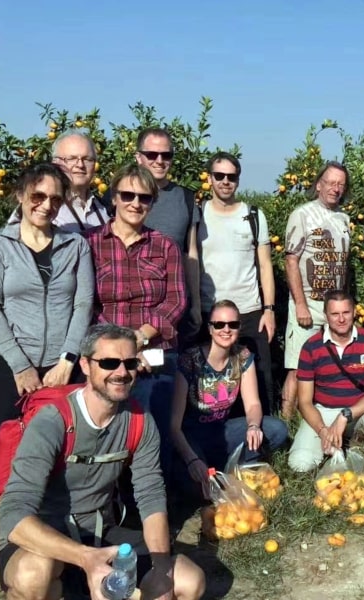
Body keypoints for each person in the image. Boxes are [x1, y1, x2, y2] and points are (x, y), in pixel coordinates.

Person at [0, 324, 205, 599]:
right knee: (33, 575)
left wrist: (161, 566)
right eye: (108, 363)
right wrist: (86, 558)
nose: (121, 373)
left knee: (189, 581)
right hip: (45, 541)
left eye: (129, 363)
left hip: (99, 532)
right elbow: (13, 516)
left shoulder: (140, 422)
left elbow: (151, 495)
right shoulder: (53, 421)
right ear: (85, 365)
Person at [0, 163, 94, 467]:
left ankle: (53, 515)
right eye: (38, 196)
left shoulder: (75, 245)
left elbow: (83, 305)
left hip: (60, 368)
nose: (46, 205)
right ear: (20, 195)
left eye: (55, 199)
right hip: (5, 365)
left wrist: (67, 360)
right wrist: (20, 366)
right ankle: (8, 516)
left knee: (61, 454)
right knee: (5, 458)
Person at [86, 164, 186, 474]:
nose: (135, 203)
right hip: (107, 354)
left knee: (154, 433)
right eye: (127, 195)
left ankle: (156, 503)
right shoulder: (90, 245)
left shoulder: (165, 246)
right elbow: (84, 304)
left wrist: (140, 338)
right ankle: (109, 504)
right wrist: (120, 350)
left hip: (155, 351)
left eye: (144, 197)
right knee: (109, 433)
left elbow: (176, 300)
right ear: (113, 198)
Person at [171, 300, 288, 499]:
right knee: (198, 489)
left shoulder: (242, 356)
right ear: (210, 328)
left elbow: (253, 404)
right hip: (193, 436)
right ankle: (219, 472)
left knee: (276, 429)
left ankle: (238, 469)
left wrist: (253, 426)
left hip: (223, 430)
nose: (226, 330)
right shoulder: (190, 360)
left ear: (239, 328)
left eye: (232, 325)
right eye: (219, 325)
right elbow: (174, 426)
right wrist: (191, 460)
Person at [197, 152, 276, 415]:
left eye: (231, 177)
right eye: (219, 176)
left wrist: (269, 309)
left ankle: (263, 437)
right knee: (212, 378)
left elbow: (265, 265)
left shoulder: (253, 215)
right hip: (211, 310)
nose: (225, 182)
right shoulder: (197, 215)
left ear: (238, 180)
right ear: (210, 179)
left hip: (250, 309)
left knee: (261, 377)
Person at [288, 290, 364, 472]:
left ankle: (355, 444)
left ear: (354, 312)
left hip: (359, 410)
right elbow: (305, 402)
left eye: (346, 312)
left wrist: (345, 415)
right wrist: (322, 431)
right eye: (335, 314)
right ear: (325, 316)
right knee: (300, 464)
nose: (341, 319)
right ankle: (331, 443)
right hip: (323, 411)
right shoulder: (311, 347)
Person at [280, 161, 351, 417]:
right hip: (308, 303)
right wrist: (299, 304)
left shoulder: (343, 218)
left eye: (340, 184)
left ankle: (316, 421)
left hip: (334, 308)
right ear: (319, 185)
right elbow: (291, 260)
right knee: (296, 368)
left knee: (327, 367)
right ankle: (286, 423)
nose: (335, 188)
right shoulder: (302, 214)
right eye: (331, 183)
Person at [134, 127, 202, 345]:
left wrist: (196, 305)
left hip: (175, 306)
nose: (159, 160)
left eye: (166, 155)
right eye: (152, 155)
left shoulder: (186, 198)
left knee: (169, 375)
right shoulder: (121, 196)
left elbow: (190, 253)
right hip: (132, 308)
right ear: (139, 157)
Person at [51, 131, 110, 232]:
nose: (80, 165)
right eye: (71, 159)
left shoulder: (105, 208)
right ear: (55, 162)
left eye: (87, 159)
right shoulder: (44, 208)